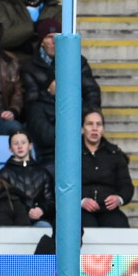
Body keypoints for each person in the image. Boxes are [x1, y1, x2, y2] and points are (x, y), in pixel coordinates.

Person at [20, 18, 101, 168]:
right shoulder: (29, 66)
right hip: (47, 119)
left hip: (74, 115)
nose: (54, 42)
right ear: (41, 41)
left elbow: (91, 91)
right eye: (49, 37)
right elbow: (30, 100)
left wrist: (86, 115)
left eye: (57, 37)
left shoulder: (78, 62)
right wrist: (50, 92)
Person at [80, 110, 133, 228]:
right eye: (90, 124)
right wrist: (81, 201)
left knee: (119, 224)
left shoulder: (114, 154)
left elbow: (126, 186)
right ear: (82, 129)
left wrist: (119, 199)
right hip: (79, 210)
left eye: (98, 124)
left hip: (108, 211)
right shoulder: (72, 153)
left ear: (103, 129)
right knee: (83, 225)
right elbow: (64, 185)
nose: (94, 128)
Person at [0, 130, 53, 228]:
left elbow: (50, 200)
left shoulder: (43, 173)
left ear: (30, 146)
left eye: (23, 142)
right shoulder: (4, 173)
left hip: (40, 221)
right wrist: (26, 210)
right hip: (13, 221)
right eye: (16, 143)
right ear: (10, 148)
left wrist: (41, 209)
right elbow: (3, 201)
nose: (20, 146)